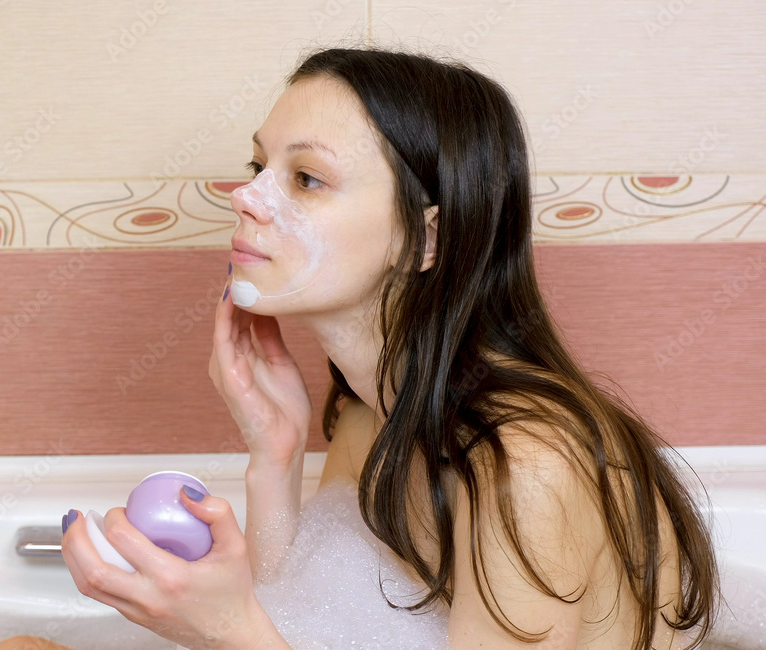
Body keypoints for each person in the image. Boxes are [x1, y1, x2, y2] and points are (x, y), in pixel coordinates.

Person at [58, 46, 719, 649]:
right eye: (260, 166)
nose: (247, 197)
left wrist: (227, 635)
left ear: (426, 239)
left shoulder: (524, 468)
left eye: (306, 179)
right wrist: (274, 451)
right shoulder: (371, 414)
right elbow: (296, 606)